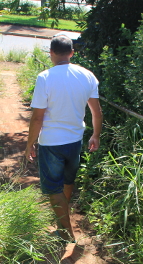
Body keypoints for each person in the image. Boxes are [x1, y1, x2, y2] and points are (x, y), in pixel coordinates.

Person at [24, 34, 103, 242]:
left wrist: (30, 143)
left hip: (51, 143)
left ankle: (67, 232)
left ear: (51, 53)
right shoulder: (87, 75)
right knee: (68, 181)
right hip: (75, 140)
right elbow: (96, 112)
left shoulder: (45, 78)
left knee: (53, 188)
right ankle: (62, 221)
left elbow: (38, 117)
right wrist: (96, 135)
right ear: (71, 53)